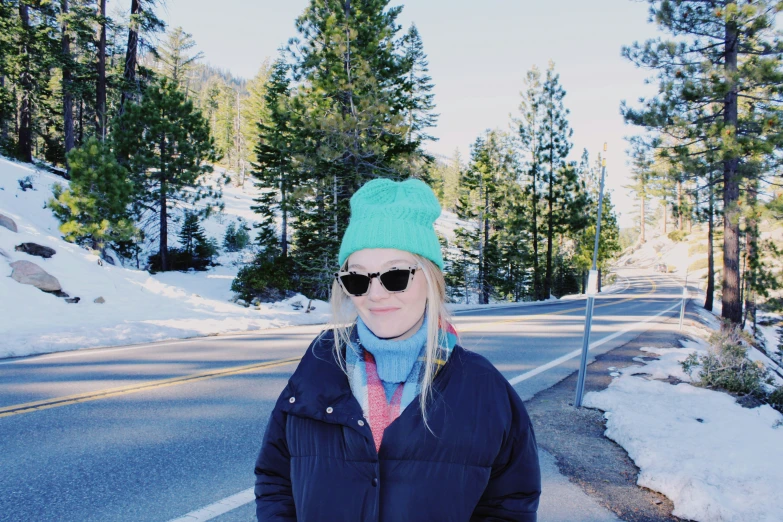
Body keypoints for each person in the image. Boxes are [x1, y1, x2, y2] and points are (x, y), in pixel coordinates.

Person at [253, 177, 541, 521]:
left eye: (395, 276)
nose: (375, 295)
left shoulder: (483, 388)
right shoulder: (317, 369)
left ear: (431, 278)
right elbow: (275, 480)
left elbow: (509, 504)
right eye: (358, 279)